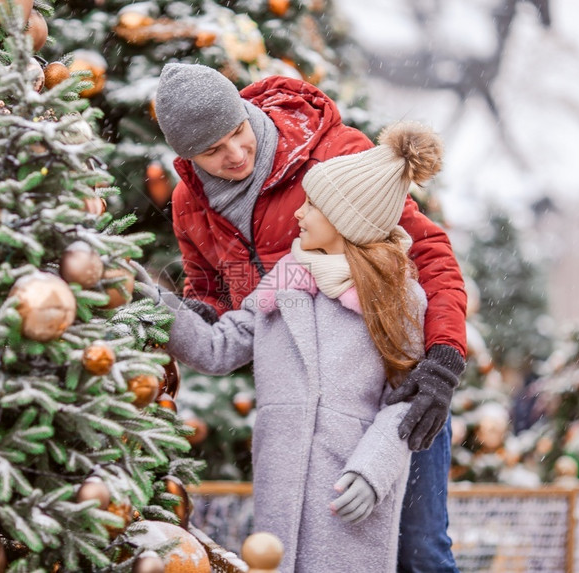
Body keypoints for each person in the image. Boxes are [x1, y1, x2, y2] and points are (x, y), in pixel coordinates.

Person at [155, 63, 466, 572]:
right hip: (301, 408)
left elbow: (427, 249)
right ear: (186, 156)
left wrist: (443, 358)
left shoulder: (332, 158)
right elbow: (211, 291)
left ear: (246, 111)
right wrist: (189, 316)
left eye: (237, 133)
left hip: (399, 384)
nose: (234, 155)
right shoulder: (190, 203)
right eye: (212, 150)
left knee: (420, 551)